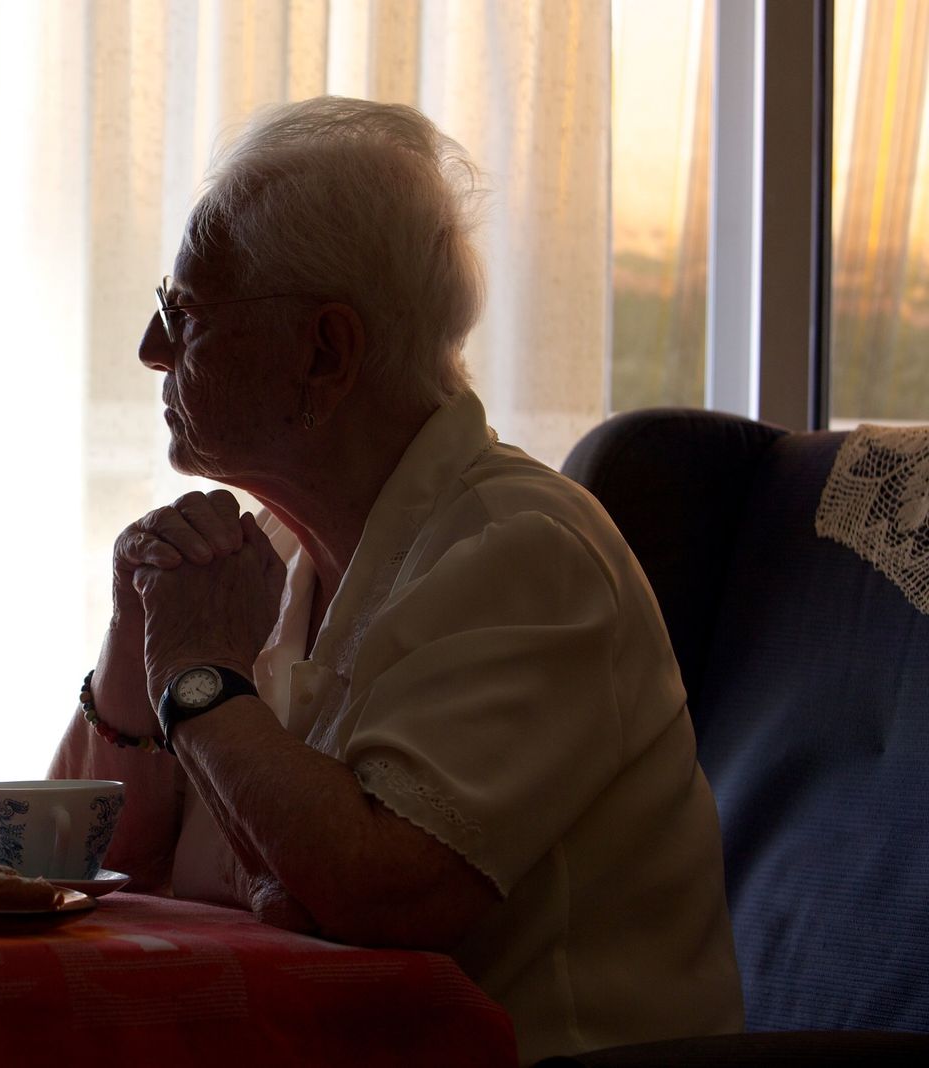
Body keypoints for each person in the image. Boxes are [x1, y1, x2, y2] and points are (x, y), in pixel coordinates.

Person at [47, 96, 743, 1062]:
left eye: (186, 312)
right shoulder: (269, 561)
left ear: (326, 353)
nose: (150, 350)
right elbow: (73, 876)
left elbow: (381, 896)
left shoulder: (526, 554)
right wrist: (138, 644)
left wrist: (199, 681)